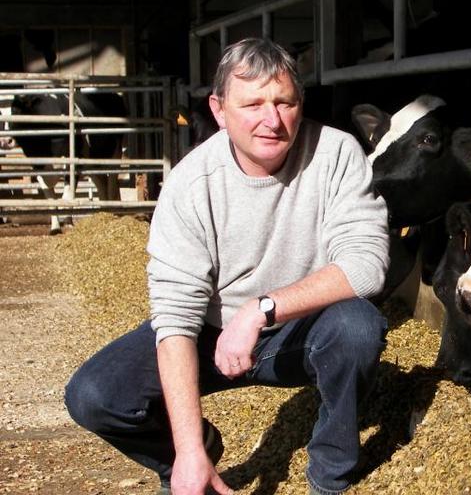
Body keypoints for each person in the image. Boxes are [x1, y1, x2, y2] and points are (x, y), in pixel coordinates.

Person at [65, 37, 391, 495]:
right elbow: (176, 320)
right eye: (252, 103)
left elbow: (366, 265)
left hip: (301, 328)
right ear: (219, 110)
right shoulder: (191, 183)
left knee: (358, 328)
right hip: (212, 336)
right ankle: (189, 462)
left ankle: (331, 475)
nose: (271, 120)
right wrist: (187, 450)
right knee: (95, 395)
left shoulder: (336, 154)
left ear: (301, 103)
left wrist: (261, 309)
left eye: (284, 102)